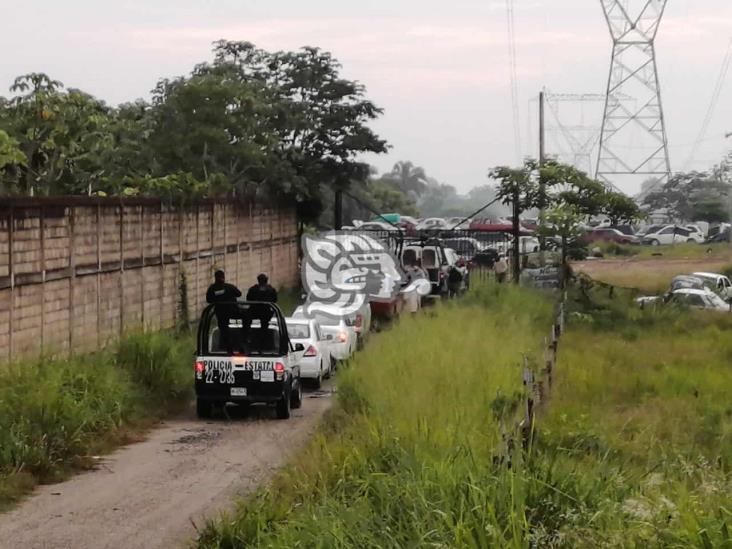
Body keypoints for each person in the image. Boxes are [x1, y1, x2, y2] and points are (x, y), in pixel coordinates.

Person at [206, 270, 242, 354]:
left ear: (215, 278)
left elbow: (209, 300)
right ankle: (242, 344)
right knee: (245, 321)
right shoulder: (229, 287)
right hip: (233, 312)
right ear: (223, 277)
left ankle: (230, 350)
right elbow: (239, 294)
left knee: (224, 331)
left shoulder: (212, 289)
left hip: (221, 314)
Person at [246, 274, 278, 350]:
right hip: (266, 313)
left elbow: (248, 299)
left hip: (254, 311)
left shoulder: (253, 289)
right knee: (264, 327)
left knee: (247, 321)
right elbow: (275, 300)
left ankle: (247, 336)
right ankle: (262, 342)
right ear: (266, 280)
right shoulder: (271, 289)